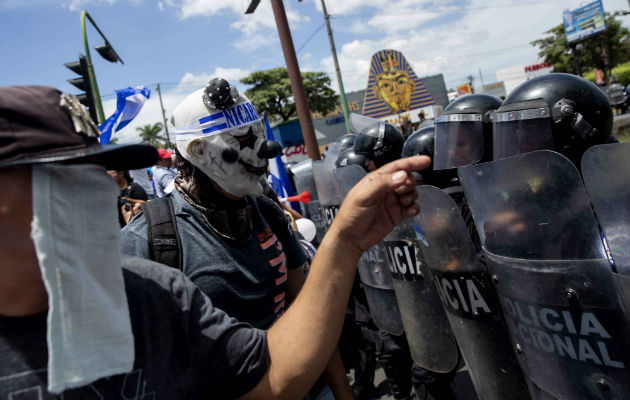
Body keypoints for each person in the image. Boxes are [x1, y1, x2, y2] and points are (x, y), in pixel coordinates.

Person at [0, 85, 428, 399]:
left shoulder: (151, 293)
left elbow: (273, 373)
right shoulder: (146, 243)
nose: (97, 192)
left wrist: (345, 241)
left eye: (96, 173)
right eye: (65, 179)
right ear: (200, 151)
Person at [121, 78, 350, 398]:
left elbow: (309, 317)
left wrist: (342, 392)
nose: (264, 150)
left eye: (259, 136)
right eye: (241, 140)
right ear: (198, 151)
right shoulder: (146, 240)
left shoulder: (268, 214)